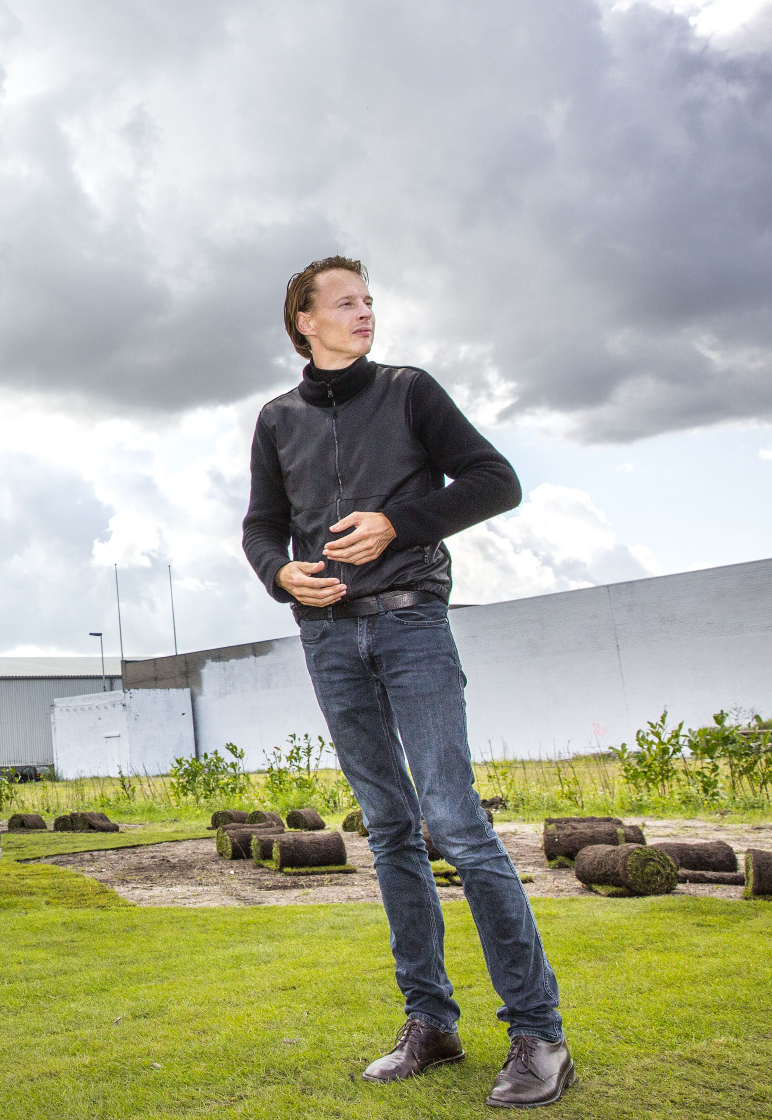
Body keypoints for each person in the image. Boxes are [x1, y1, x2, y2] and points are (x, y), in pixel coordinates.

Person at [240, 256, 572, 1109]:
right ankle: (431, 1021)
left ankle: (539, 1034)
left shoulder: (411, 390)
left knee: (457, 822)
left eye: (369, 301)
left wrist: (398, 522)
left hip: (411, 621)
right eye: (345, 302)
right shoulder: (277, 420)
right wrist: (281, 576)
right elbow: (261, 526)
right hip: (327, 638)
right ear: (303, 321)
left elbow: (498, 481)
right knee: (389, 828)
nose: (365, 313)